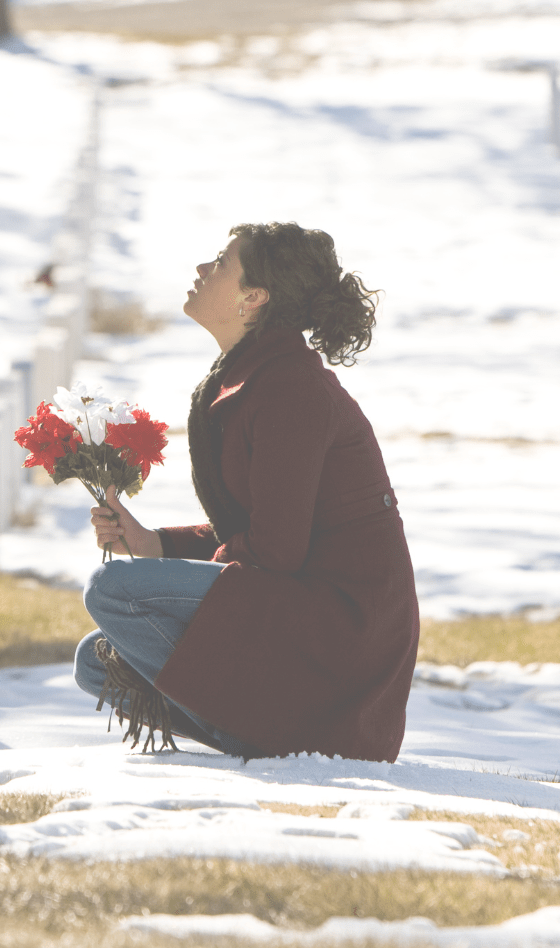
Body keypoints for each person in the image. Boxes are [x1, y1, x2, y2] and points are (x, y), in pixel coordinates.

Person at [73, 222, 419, 762]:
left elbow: (276, 549)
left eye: (220, 262)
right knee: (97, 661)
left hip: (339, 633)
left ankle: (275, 737)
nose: (201, 270)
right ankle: (261, 729)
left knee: (111, 590)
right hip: (298, 607)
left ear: (253, 298)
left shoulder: (291, 389)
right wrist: (153, 544)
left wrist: (170, 575)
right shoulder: (255, 375)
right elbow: (263, 528)